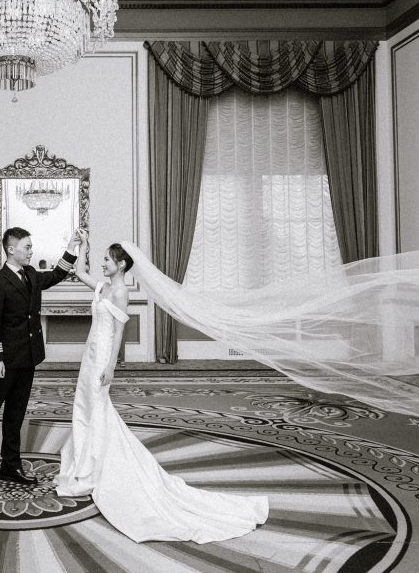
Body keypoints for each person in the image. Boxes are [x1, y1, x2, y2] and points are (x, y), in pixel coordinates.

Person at [55, 229, 270, 543]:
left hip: (100, 358)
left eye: (107, 260)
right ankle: (86, 461)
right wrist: (83, 246)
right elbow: (79, 271)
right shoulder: (103, 287)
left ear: (122, 265)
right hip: (89, 357)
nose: (103, 264)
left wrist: (111, 366)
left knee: (97, 409)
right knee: (86, 408)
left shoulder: (120, 293)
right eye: (102, 259)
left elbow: (117, 334)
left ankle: (94, 464)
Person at [0, 226, 79, 490]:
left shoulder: (31, 274)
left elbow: (58, 274)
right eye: (27, 247)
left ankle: (10, 467)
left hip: (28, 358)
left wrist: (71, 248)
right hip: (6, 361)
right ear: (11, 249)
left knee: (16, 415)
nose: (31, 251)